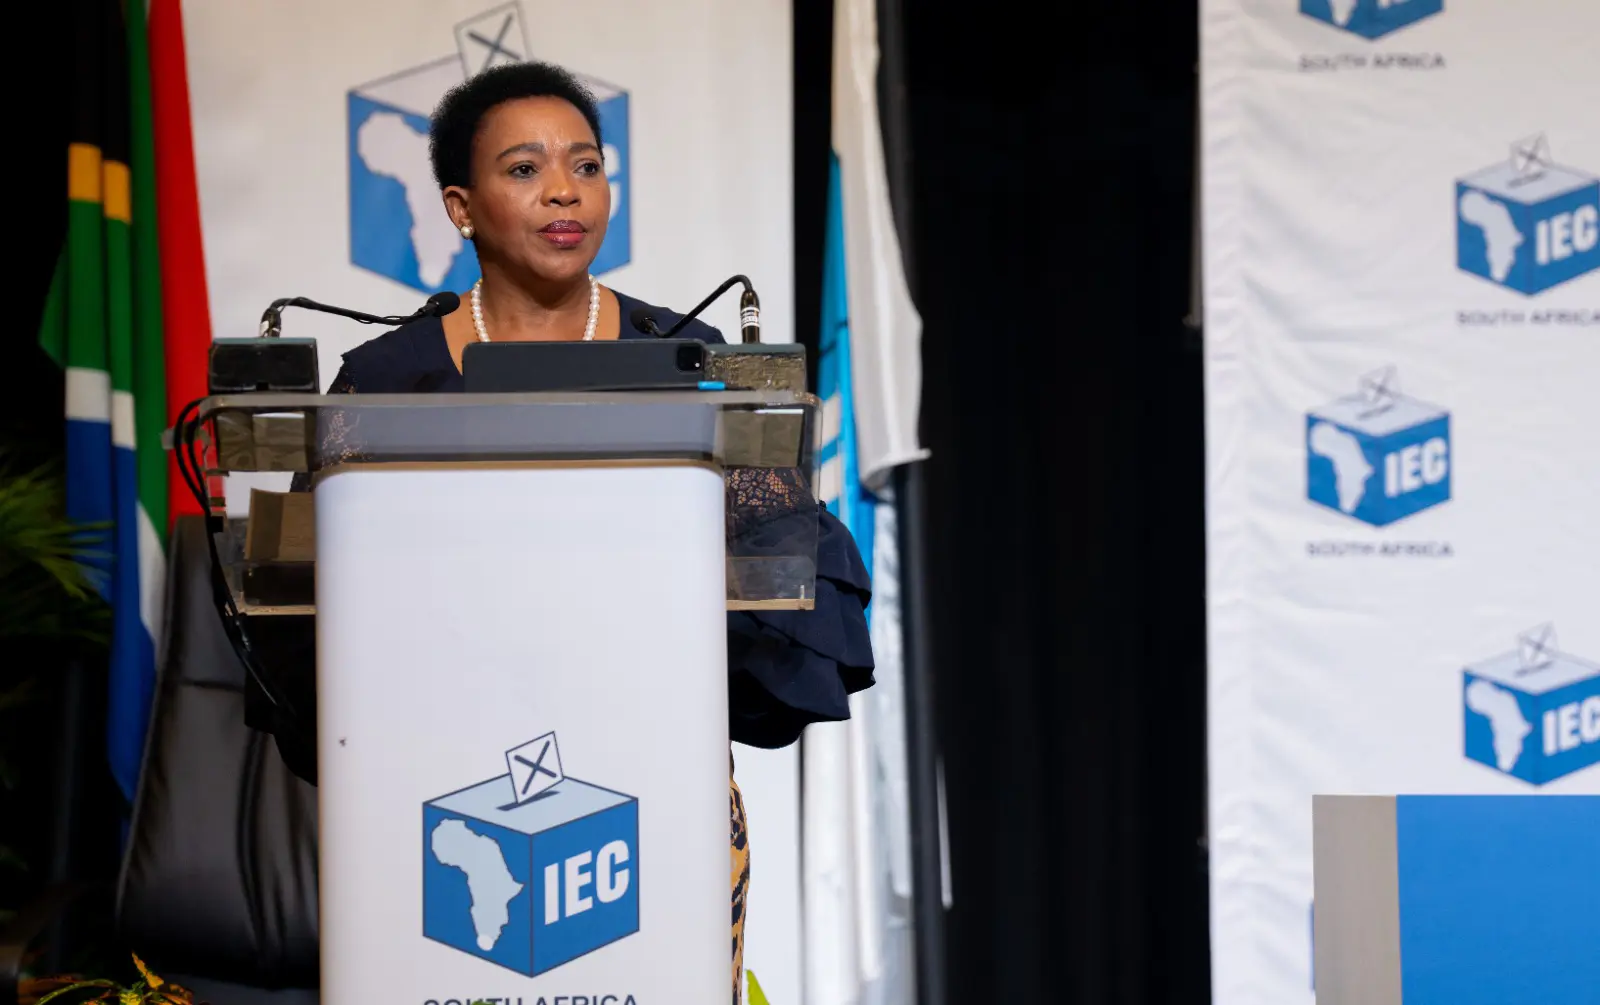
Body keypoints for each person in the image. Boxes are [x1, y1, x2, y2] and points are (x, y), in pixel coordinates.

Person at [305, 61, 874, 1002]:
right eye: (524, 169)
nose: (564, 191)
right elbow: (309, 591)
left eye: (586, 165)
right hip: (434, 793)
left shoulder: (689, 364)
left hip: (657, 782)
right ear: (460, 207)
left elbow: (790, 562)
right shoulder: (384, 379)